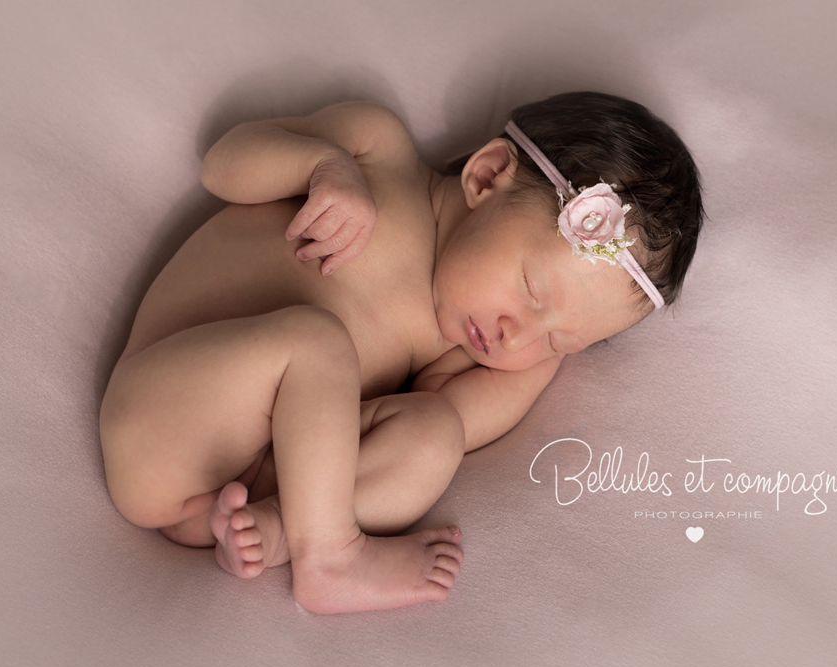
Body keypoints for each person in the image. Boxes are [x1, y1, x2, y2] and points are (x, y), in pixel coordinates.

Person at [98, 91, 704, 615]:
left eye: (561, 340)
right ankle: (331, 558)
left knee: (435, 431)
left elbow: (448, 434)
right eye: (531, 292)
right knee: (315, 342)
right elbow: (222, 164)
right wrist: (322, 167)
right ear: (487, 175)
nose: (517, 335)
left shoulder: (472, 357)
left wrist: (535, 366)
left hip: (242, 496)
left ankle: (286, 531)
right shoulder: (377, 153)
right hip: (164, 420)